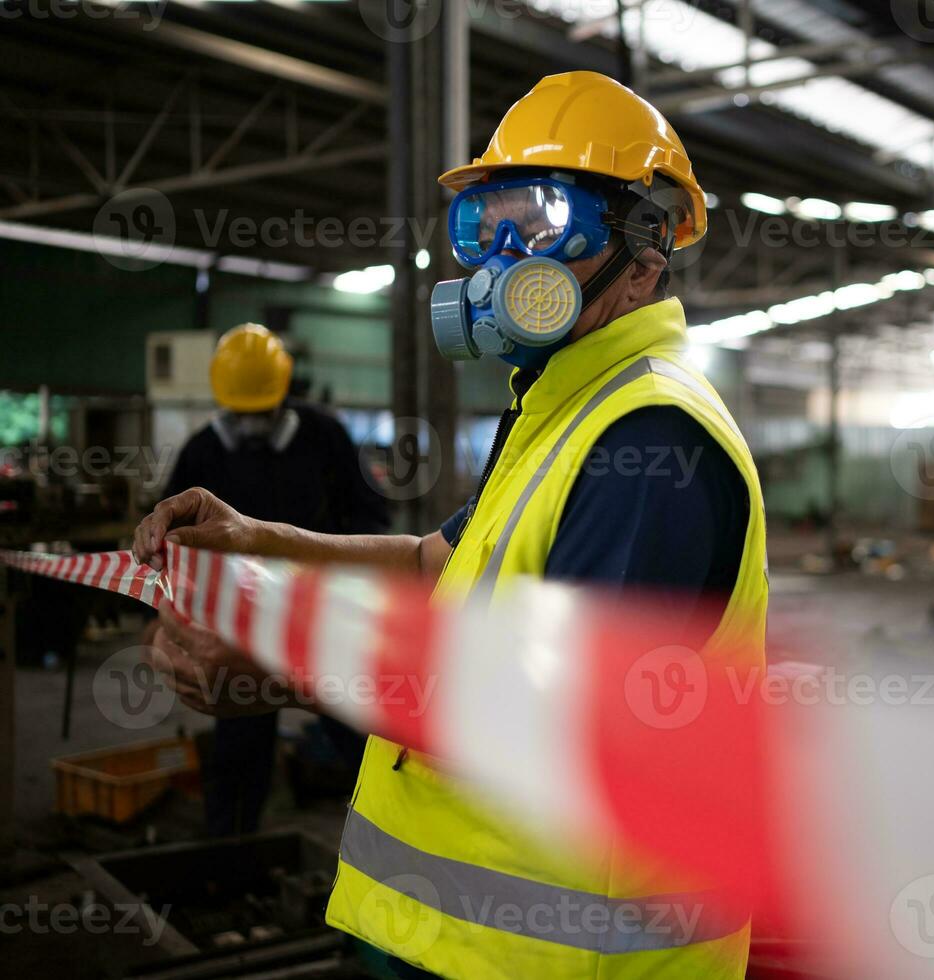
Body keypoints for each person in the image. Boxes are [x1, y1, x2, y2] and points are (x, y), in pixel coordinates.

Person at [132, 72, 767, 979]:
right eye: (487, 224)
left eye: (544, 222)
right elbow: (435, 561)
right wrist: (261, 536)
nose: (505, 257)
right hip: (463, 941)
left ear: (643, 256)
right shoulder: (563, 409)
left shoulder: (653, 440)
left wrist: (286, 668)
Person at [143, 323, 387, 836]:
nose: (252, 426)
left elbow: (371, 516)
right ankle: (230, 846)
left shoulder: (325, 437)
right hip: (240, 620)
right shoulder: (202, 454)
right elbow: (172, 538)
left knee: (359, 724)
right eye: (242, 414)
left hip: (325, 608)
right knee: (241, 735)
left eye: (261, 412)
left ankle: (383, 828)